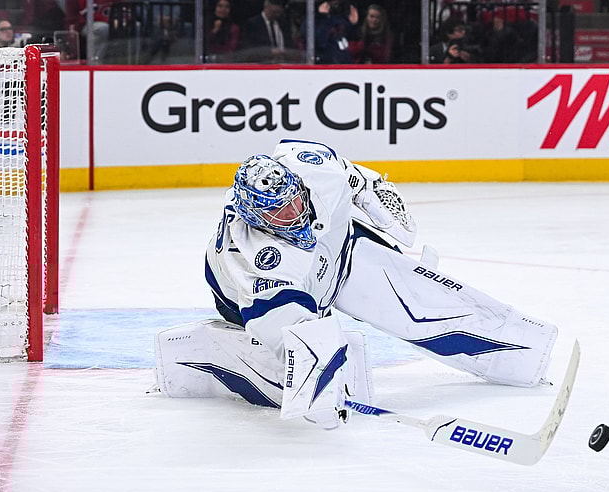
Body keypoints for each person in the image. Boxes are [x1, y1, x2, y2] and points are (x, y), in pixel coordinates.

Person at [153, 139, 559, 430]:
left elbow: (357, 180)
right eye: (280, 213)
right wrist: (318, 378)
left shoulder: (308, 166)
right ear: (256, 218)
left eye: (295, 200)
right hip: (275, 298)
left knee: (418, 297)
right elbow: (290, 332)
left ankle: (520, 352)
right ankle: (207, 353)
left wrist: (386, 211)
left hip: (338, 250)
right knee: (293, 376)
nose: (294, 214)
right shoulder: (253, 258)